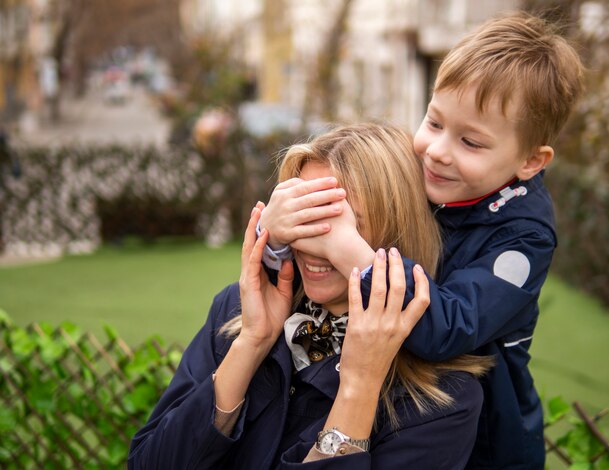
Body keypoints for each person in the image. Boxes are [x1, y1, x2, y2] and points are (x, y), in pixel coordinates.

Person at [258, 12, 585, 469]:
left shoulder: (523, 240)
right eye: (433, 122)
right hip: (392, 396)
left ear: (531, 160)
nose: (437, 150)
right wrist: (274, 233)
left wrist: (351, 251)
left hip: (477, 438)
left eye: (471, 142)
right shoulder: (441, 177)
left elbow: (445, 328)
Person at [128, 124, 492, 469]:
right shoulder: (238, 312)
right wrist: (251, 343)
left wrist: (358, 388)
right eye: (302, 217)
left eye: (340, 225)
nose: (313, 245)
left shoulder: (444, 398)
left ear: (397, 231)